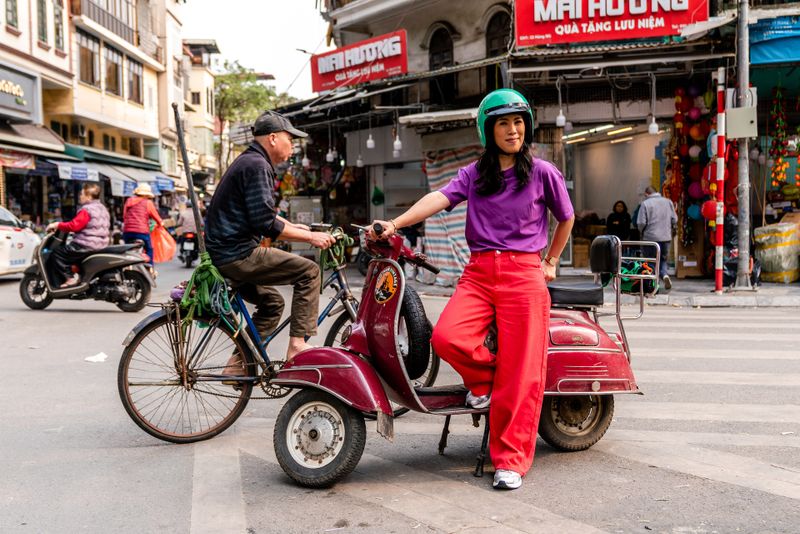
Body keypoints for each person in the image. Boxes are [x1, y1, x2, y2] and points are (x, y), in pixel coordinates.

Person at [368, 89, 574, 490]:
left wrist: (549, 261)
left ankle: (510, 461)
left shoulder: (543, 172)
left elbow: (565, 218)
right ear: (488, 130)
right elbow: (439, 197)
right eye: (503, 123)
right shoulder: (476, 173)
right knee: (447, 338)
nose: (513, 130)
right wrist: (396, 223)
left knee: (522, 372)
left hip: (524, 274)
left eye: (518, 122)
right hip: (479, 271)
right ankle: (485, 383)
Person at [204, 110, 335, 363]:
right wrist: (311, 239)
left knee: (272, 303)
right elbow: (264, 223)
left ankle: (237, 365)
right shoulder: (256, 165)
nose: (293, 146)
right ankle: (297, 345)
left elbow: (263, 213)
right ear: (273, 138)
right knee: (309, 271)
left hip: (225, 253)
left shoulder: (250, 161)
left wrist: (297, 227)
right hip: (238, 254)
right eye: (290, 139)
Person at [46, 183, 110, 287]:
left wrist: (57, 224)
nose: (80, 196)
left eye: (82, 194)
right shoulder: (102, 208)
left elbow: (74, 226)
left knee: (57, 253)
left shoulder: (87, 210)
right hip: (101, 244)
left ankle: (70, 277)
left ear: (88, 196)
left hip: (86, 244)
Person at [637, 185, 677, 290]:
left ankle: (654, 284)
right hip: (666, 237)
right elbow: (674, 219)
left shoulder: (645, 204)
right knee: (663, 259)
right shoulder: (668, 202)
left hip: (650, 238)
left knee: (650, 261)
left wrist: (642, 232)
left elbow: (641, 222)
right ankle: (664, 275)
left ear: (646, 194)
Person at [122, 183, 163, 271]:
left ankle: (126, 266)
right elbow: (156, 217)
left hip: (127, 232)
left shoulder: (128, 201)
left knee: (126, 249)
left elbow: (124, 216)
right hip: (142, 232)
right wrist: (160, 223)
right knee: (149, 249)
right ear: (146, 194)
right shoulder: (148, 203)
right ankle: (150, 268)